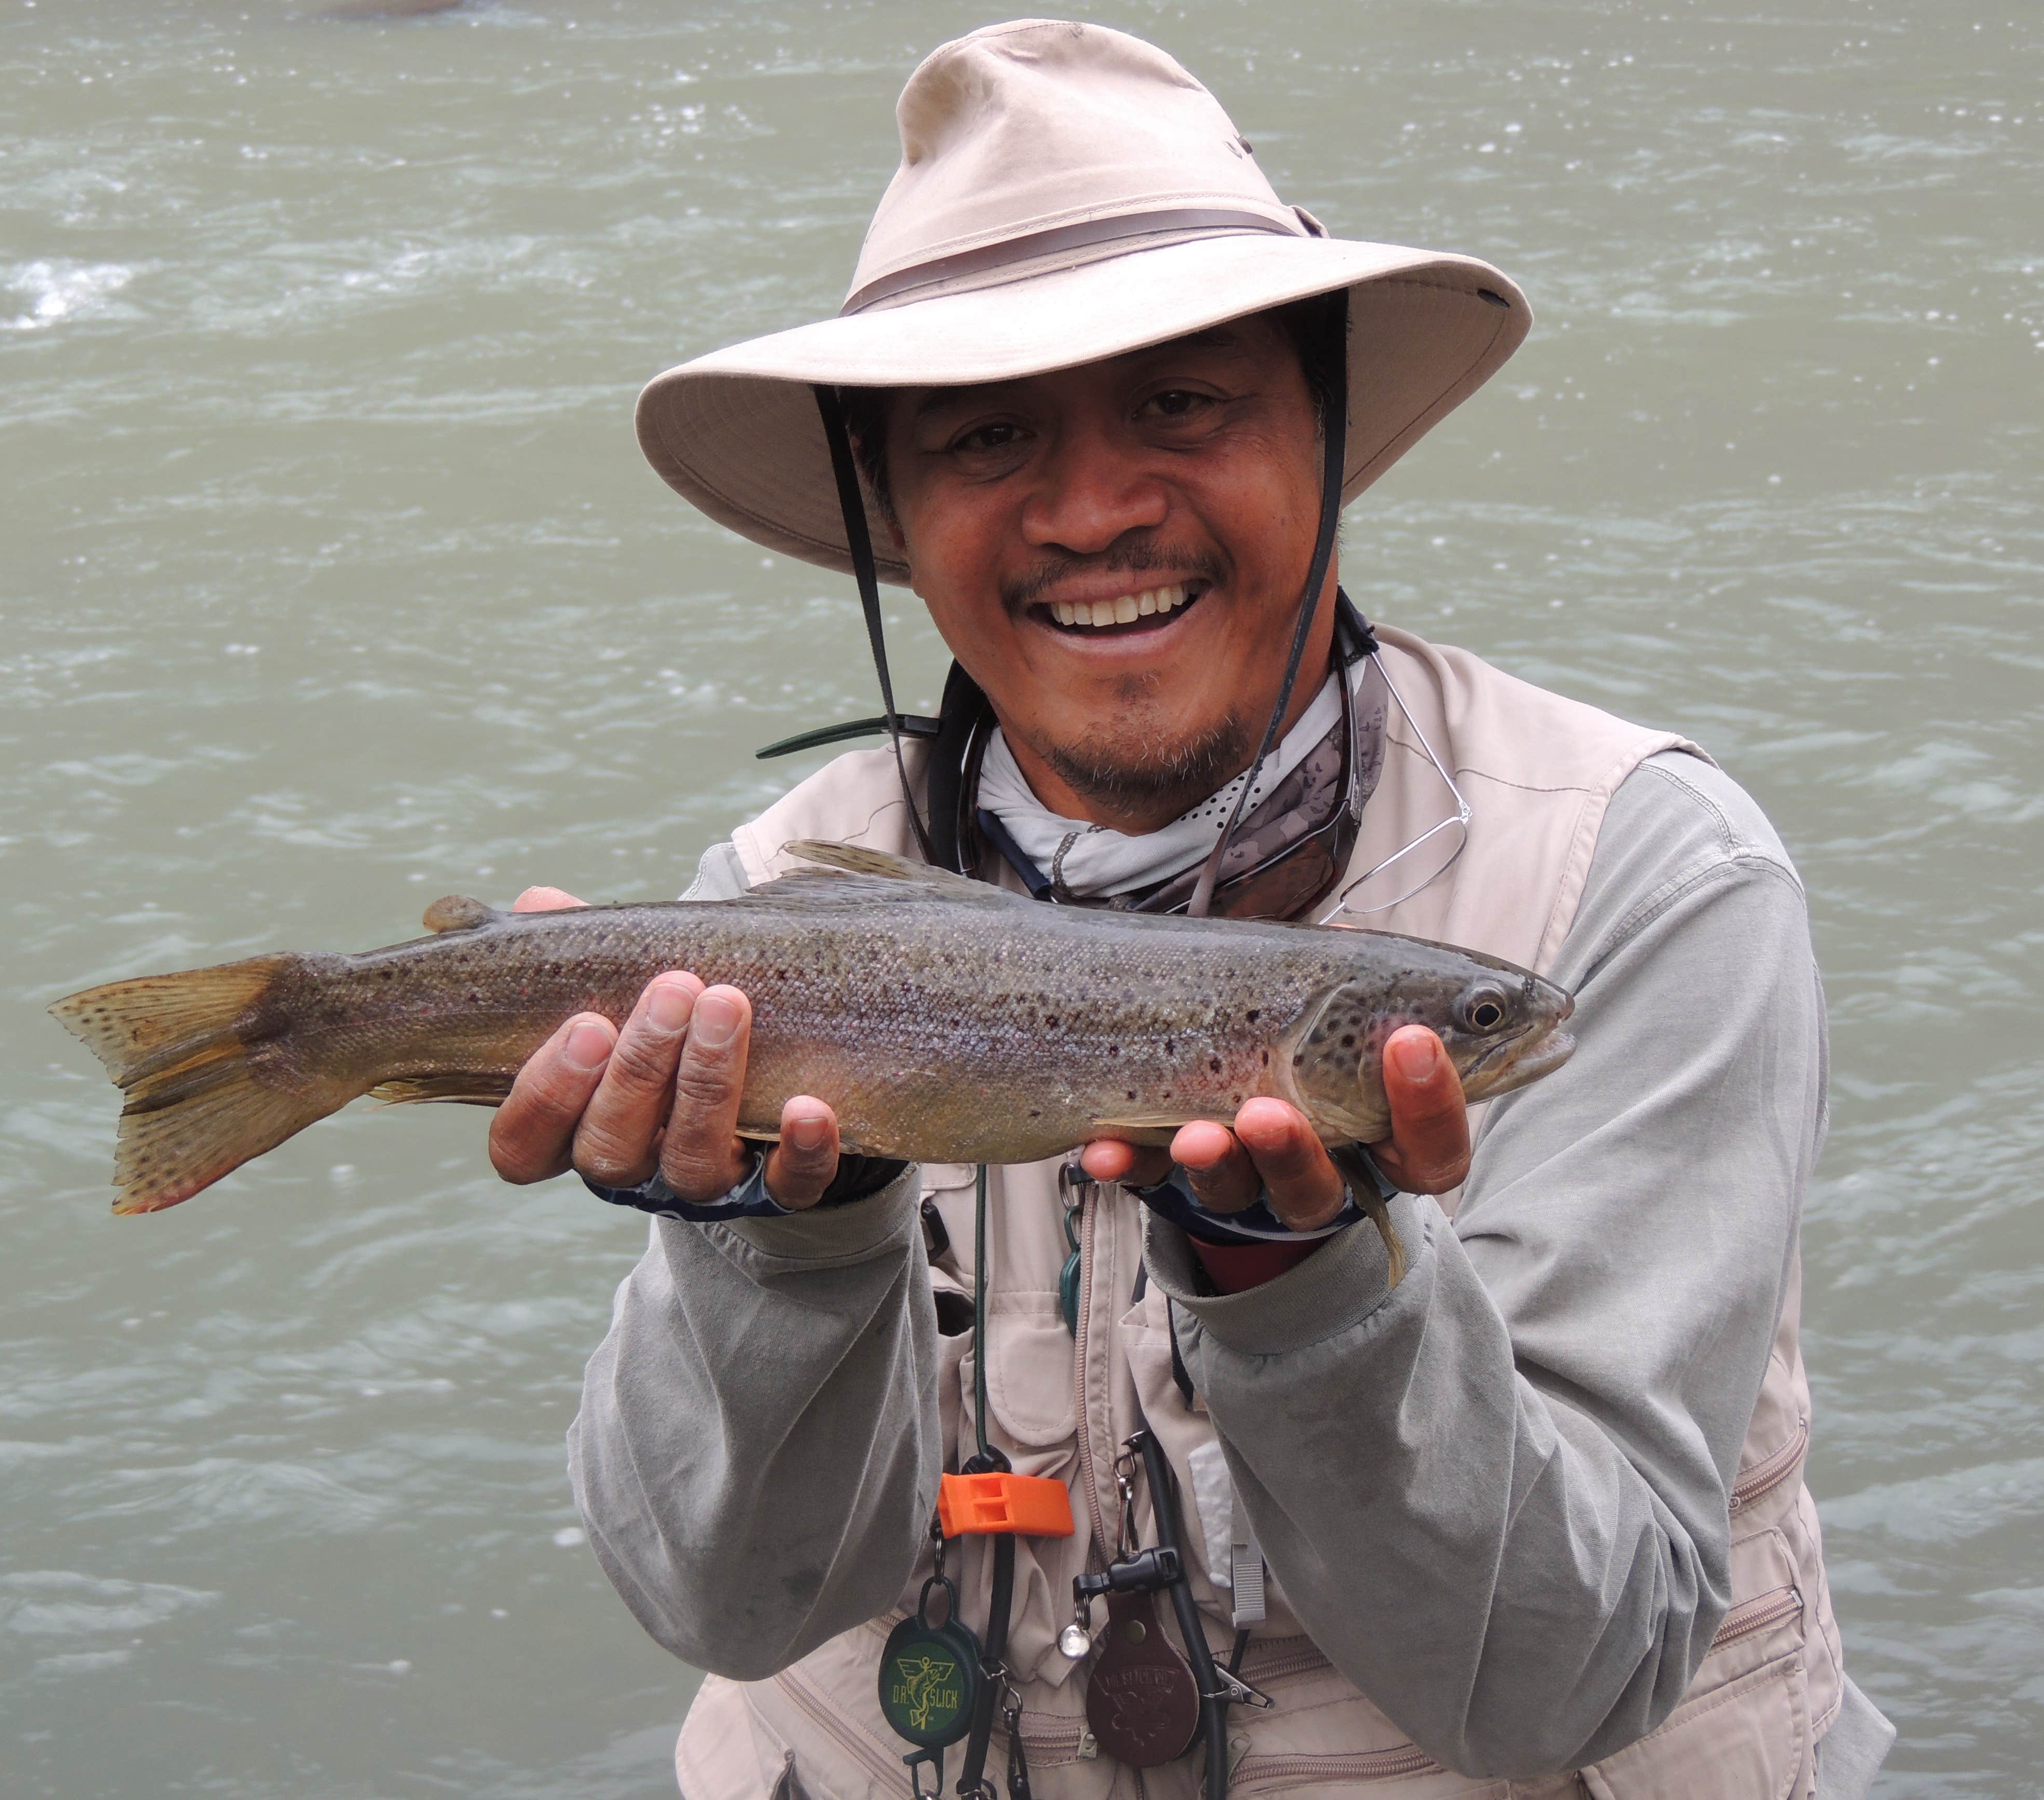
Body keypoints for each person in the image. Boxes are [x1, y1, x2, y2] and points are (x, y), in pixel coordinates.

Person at [492, 21, 1896, 1798]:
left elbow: (1567, 1683)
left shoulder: (1647, 878)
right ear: (893, 519)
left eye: (1184, 402)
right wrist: (786, 1240)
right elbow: (724, 1602)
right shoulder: (770, 912)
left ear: (1329, 432)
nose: (1092, 511)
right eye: (988, 436)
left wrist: (1305, 1285)